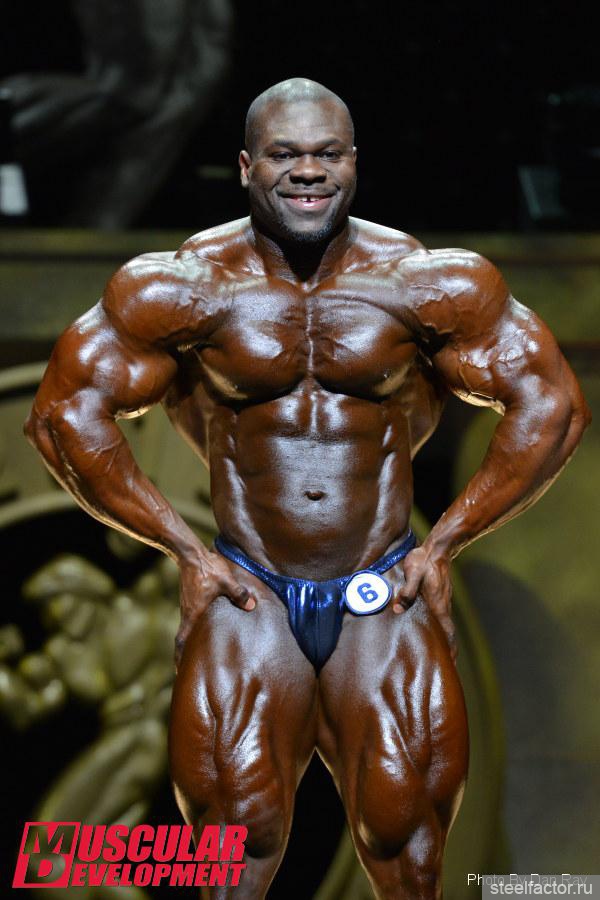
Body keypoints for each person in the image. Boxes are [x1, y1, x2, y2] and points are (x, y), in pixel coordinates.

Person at [25, 78, 590, 899]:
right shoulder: (185, 287)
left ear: (354, 162)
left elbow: (553, 406)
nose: (308, 171)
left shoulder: (423, 283)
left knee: (407, 844)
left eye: (327, 154)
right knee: (234, 845)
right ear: (246, 167)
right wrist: (183, 550)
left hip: (379, 588)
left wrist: (445, 543)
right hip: (249, 593)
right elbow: (61, 417)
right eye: (285, 155)